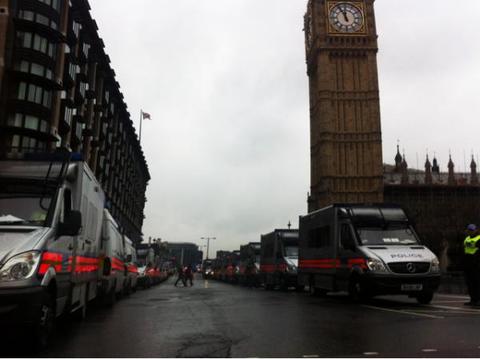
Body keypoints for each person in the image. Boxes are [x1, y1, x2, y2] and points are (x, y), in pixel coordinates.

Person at [463, 224, 480, 306]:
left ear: (476, 230)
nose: (470, 231)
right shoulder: (466, 239)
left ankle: (478, 300)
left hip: (476, 265)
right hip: (468, 264)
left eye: (472, 230)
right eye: (469, 230)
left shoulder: (479, 238)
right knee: (469, 283)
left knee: (477, 283)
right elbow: (464, 250)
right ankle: (473, 300)